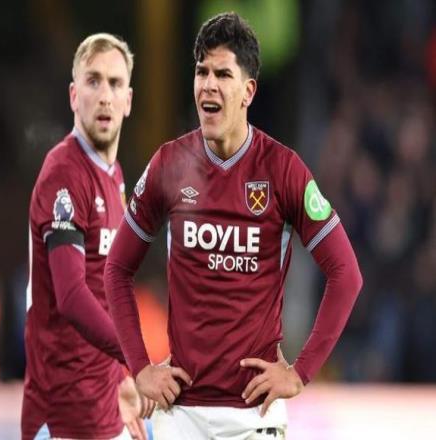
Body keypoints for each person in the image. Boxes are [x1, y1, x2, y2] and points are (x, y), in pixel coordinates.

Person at [104, 12, 363, 440]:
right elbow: (116, 269)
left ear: (248, 91)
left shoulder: (282, 170)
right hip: (180, 414)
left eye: (223, 74)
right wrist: (140, 366)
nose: (208, 84)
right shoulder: (169, 165)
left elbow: (346, 273)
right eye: (201, 71)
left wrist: (300, 373)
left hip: (253, 417)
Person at [21, 33, 152, 440]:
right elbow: (73, 295)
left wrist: (119, 377)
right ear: (74, 96)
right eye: (93, 81)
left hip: (102, 408)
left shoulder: (114, 176)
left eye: (115, 83)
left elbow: (103, 289)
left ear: (128, 100)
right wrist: (138, 360)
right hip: (64, 415)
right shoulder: (64, 173)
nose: (105, 96)